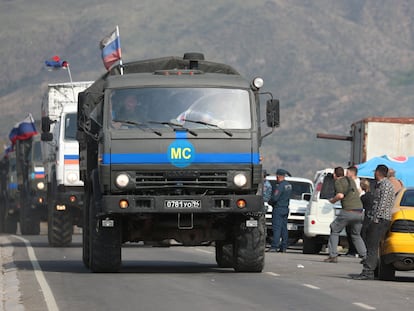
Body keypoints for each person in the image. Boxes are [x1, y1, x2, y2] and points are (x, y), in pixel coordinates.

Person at [354, 164, 395, 280]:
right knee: (371, 245)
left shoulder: (385, 186)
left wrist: (375, 220)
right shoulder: (381, 185)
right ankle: (370, 269)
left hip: (380, 220)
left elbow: (381, 205)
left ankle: (368, 271)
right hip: (378, 219)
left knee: (372, 246)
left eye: (374, 172)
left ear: (378, 173)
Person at [324, 166, 366, 263]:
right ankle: (365, 256)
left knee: (334, 229)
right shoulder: (351, 180)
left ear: (335, 175)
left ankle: (333, 255)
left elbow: (340, 195)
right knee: (356, 234)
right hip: (360, 211)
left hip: (348, 211)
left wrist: (332, 201)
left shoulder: (338, 182)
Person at [266, 168, 292, 253]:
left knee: (276, 228)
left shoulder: (280, 186)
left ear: (278, 176)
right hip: (285, 208)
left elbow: (275, 198)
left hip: (278, 208)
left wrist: (270, 202)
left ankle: (274, 246)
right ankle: (284, 246)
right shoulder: (288, 185)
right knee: (284, 228)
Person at [344, 166, 362, 257]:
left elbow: (358, 193)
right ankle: (351, 250)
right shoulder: (349, 182)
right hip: (349, 209)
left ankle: (355, 251)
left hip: (355, 210)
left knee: (354, 231)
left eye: (347, 172)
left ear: (352, 173)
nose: (346, 174)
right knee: (348, 230)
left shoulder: (357, 183)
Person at [359, 178, 374, 244]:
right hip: (372, 216)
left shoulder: (363, 197)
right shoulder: (373, 196)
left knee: (363, 234)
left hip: (366, 216)